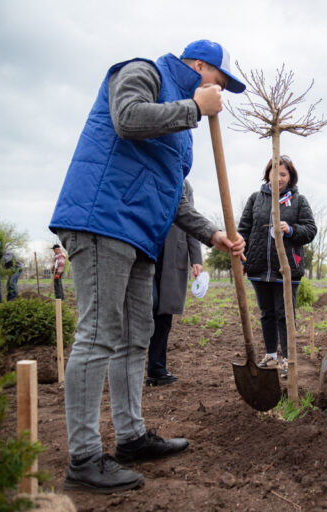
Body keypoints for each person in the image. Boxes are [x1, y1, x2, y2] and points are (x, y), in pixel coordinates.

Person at [49, 39, 247, 493]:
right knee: (98, 333)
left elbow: (175, 197)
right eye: (219, 82)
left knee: (135, 338)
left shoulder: (182, 132)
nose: (220, 94)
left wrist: (212, 234)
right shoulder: (144, 73)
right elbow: (127, 119)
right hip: (103, 218)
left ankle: (132, 436)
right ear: (199, 67)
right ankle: (82, 458)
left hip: (141, 234)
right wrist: (195, 108)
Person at [237, 156, 317, 378]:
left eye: (283, 174)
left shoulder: (299, 201)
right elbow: (243, 229)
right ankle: (271, 355)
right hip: (259, 267)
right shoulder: (255, 199)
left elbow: (310, 230)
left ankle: (288, 361)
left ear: (290, 177)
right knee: (267, 313)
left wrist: (290, 229)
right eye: (275, 173)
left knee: (285, 314)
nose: (278, 178)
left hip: (288, 267)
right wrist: (242, 253)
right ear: (268, 174)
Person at [147, 179, 203, 386]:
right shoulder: (150, 172)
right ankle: (130, 366)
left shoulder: (185, 185)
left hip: (173, 256)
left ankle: (157, 369)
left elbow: (191, 221)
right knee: (147, 305)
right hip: (146, 250)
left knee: (163, 315)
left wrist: (196, 258)